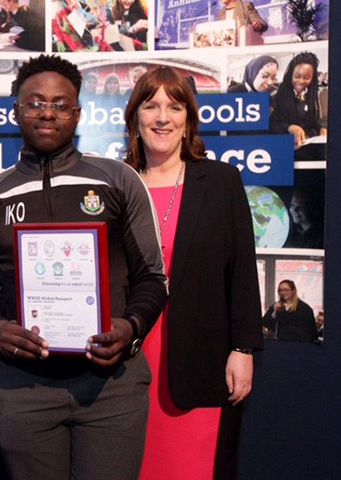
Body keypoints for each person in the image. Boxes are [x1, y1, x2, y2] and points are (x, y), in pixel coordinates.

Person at [0, 54, 167, 480]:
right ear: (16, 110)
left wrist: (130, 326)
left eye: (60, 104)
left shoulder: (119, 180)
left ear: (77, 113)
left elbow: (153, 278)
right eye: (35, 103)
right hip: (23, 388)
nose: (47, 113)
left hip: (113, 386)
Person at [123, 66, 263, 479]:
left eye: (174, 106)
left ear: (188, 120)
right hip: (128, 368)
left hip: (203, 360)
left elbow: (241, 271)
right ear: (135, 117)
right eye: (150, 106)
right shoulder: (118, 184)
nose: (162, 117)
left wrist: (244, 348)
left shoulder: (220, 181)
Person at [271, 51, 327, 148]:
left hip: (309, 146)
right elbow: (271, 124)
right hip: (284, 147)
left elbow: (318, 120)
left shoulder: (316, 96)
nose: (301, 81)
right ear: (290, 75)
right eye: (297, 76)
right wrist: (289, 128)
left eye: (306, 77)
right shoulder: (277, 96)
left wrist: (322, 127)